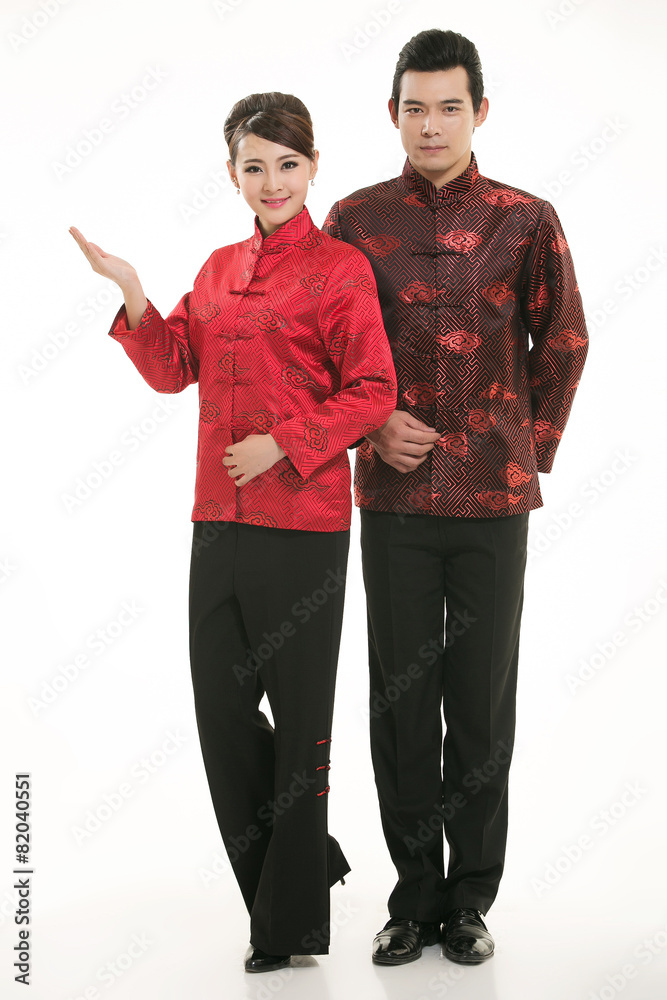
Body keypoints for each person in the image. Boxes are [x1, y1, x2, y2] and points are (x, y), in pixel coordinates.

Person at [69, 91, 396, 973]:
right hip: (216, 520)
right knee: (221, 714)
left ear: (313, 167)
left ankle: (284, 927)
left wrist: (284, 442)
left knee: (300, 723)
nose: (272, 181)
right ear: (232, 174)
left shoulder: (340, 270)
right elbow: (173, 367)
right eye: (255, 166)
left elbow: (373, 391)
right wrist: (133, 292)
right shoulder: (216, 270)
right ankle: (305, 863)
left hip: (304, 525)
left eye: (288, 164)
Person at [323, 29, 588, 966]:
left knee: (479, 703)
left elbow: (564, 340)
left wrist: (523, 451)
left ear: (479, 111)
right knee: (401, 703)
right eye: (413, 107)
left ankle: (470, 899)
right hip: (393, 502)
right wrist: (367, 426)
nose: (429, 124)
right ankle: (411, 899)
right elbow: (319, 351)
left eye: (447, 106)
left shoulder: (525, 219)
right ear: (391, 114)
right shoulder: (352, 222)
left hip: (492, 504)